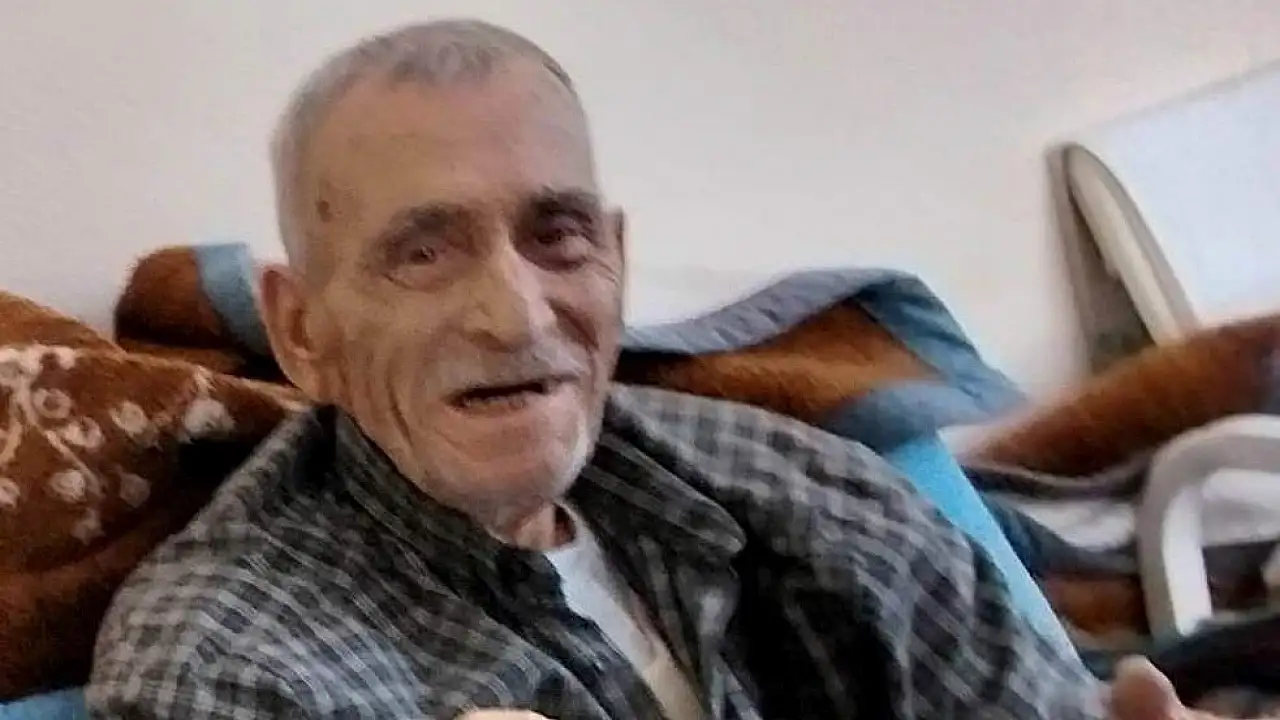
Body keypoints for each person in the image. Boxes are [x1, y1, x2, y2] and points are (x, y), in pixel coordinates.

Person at [87, 19, 1229, 720]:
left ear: (617, 265)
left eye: (558, 235)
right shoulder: (223, 667)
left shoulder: (806, 490)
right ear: (302, 333)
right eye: (423, 253)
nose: (514, 312)